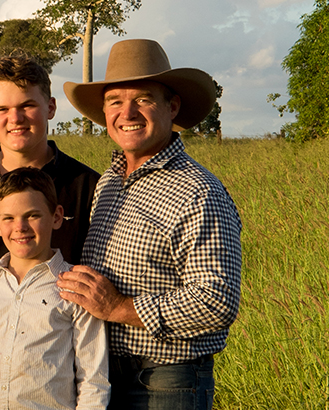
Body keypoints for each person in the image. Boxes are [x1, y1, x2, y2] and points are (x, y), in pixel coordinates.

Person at [58, 39, 243, 409]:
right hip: (102, 373)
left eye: (143, 99)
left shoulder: (198, 190)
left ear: (171, 106)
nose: (127, 112)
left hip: (164, 380)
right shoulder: (109, 182)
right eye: (115, 101)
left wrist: (118, 307)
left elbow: (217, 301)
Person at [0, 54, 101, 409]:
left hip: (59, 388)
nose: (16, 119)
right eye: (2, 109)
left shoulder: (90, 187)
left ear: (51, 107)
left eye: (28, 105)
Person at [0, 167, 109, 410]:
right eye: (9, 218)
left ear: (57, 217)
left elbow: (93, 379)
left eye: (32, 215)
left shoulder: (75, 287)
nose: (20, 227)